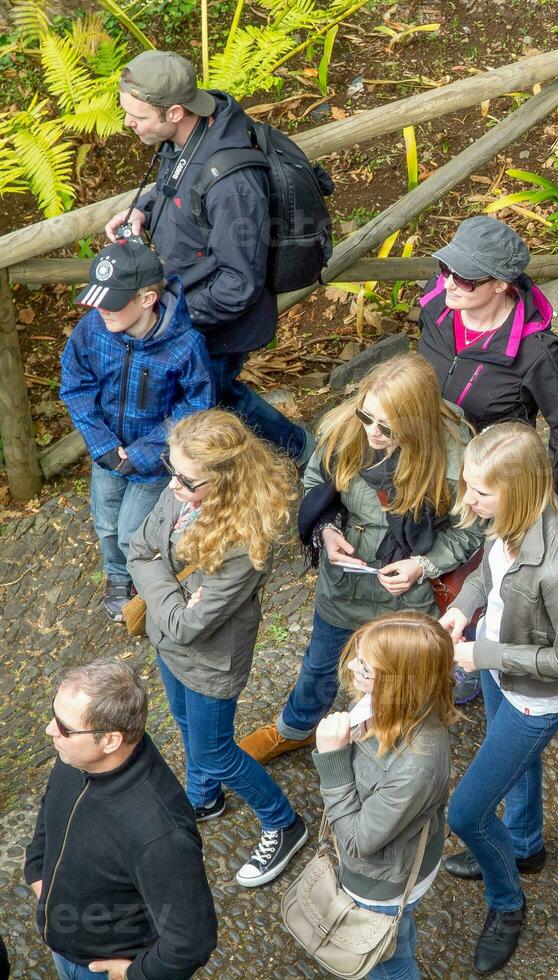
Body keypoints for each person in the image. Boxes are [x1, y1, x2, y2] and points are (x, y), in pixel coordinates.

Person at [240, 354, 484, 763]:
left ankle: (393, 739)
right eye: (366, 416)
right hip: (346, 583)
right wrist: (327, 530)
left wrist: (422, 566)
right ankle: (295, 729)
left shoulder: (457, 458)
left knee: (404, 673)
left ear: (417, 421)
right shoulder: (343, 432)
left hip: (410, 595)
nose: (371, 432)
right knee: (320, 664)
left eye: (386, 427)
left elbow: (472, 529)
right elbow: (318, 481)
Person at [440, 423, 558, 975]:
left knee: (465, 813)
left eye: (480, 492)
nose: (468, 501)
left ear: (520, 488)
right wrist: (462, 608)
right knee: (515, 765)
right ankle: (526, 845)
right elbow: (487, 578)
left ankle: (507, 903)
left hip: (536, 693)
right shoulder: (505, 520)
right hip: (496, 662)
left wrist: (485, 657)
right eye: (468, 485)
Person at [102, 50, 312, 466]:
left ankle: (296, 451)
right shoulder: (188, 137)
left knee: (219, 396)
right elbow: (179, 188)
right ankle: (292, 451)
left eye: (138, 117)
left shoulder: (231, 183)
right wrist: (144, 207)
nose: (129, 123)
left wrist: (171, 317)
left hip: (215, 323)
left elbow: (240, 283)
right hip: (191, 305)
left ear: (175, 111)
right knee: (221, 396)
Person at [127, 408, 307, 887]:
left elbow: (192, 627)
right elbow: (138, 549)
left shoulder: (245, 538)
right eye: (171, 470)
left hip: (210, 662)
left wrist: (163, 596)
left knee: (216, 752)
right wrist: (175, 600)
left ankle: (284, 823)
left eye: (185, 480)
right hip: (169, 645)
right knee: (185, 723)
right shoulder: (184, 494)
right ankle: (204, 798)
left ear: (225, 482)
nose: (171, 488)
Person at [26, 659, 218, 980]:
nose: (50, 730)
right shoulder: (75, 755)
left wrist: (137, 974)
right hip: (63, 946)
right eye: (54, 715)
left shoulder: (160, 833)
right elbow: (51, 811)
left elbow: (192, 940)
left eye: (64, 727)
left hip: (102, 970)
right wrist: (36, 870)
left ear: (111, 740)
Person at [59, 237, 212, 621]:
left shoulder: (186, 345)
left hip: (154, 461)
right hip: (107, 452)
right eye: (97, 298)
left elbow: (196, 407)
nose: (99, 310)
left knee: (132, 531)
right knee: (106, 523)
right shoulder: (92, 329)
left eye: (111, 302)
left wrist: (146, 452)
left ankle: (151, 585)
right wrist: (102, 443)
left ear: (146, 299)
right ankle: (116, 577)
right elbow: (75, 385)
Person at [312, 612, 455, 980]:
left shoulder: (416, 766)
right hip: (395, 866)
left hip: (380, 885)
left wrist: (332, 759)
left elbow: (359, 842)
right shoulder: (401, 704)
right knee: (398, 938)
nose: (354, 667)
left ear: (401, 680)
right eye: (360, 656)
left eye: (368, 667)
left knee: (384, 962)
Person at [416, 216, 558, 493]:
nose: (447, 283)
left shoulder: (537, 353)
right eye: (446, 269)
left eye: (464, 278)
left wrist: (539, 496)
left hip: (486, 481)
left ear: (499, 284)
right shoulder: (436, 303)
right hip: (426, 459)